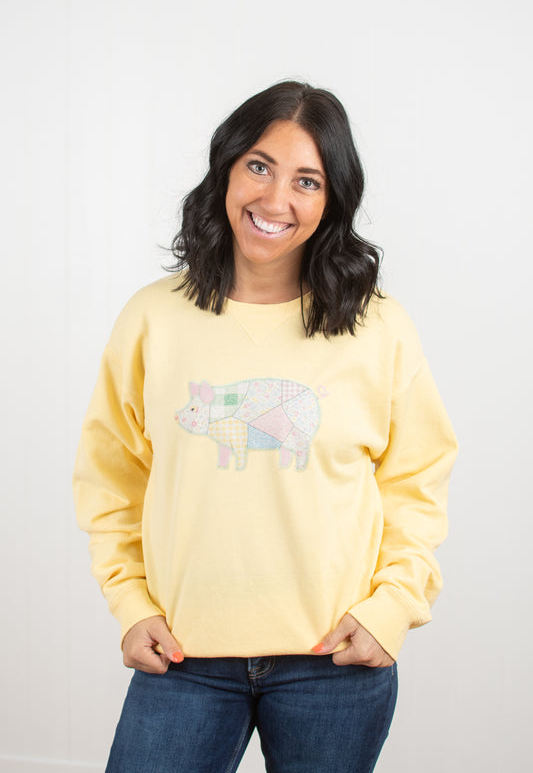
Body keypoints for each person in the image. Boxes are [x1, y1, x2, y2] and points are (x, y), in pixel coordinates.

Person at [73, 81, 458, 773]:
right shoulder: (153, 318)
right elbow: (111, 478)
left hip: (333, 660)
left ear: (332, 200)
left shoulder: (379, 327)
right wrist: (131, 604)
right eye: (259, 165)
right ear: (226, 168)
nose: (276, 199)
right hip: (183, 656)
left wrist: (392, 609)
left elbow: (416, 482)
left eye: (307, 180)